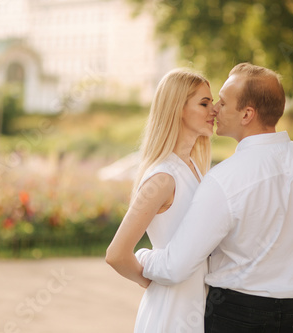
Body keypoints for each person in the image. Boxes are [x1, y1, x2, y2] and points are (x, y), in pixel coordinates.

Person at [136, 63, 293, 332]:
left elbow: (175, 266)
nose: (215, 109)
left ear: (247, 114)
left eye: (222, 102)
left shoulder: (224, 178)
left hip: (236, 316)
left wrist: (142, 257)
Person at [105, 69, 216, 332]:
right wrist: (154, 282)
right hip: (170, 313)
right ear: (177, 108)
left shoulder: (194, 169)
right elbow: (116, 254)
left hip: (197, 308)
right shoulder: (163, 178)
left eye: (212, 102)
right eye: (204, 103)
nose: (214, 110)